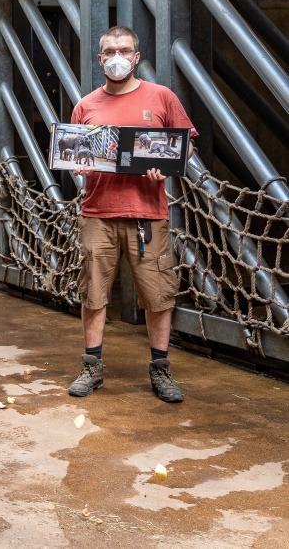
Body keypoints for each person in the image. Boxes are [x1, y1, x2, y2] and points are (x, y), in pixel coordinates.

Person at [68, 26, 196, 403]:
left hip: (147, 214)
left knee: (158, 295)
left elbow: (185, 146)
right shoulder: (86, 105)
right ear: (100, 59)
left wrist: (166, 165)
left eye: (124, 50)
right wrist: (78, 163)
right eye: (109, 51)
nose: (117, 57)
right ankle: (92, 366)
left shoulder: (162, 97)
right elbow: (74, 150)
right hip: (98, 212)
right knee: (93, 293)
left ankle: (160, 369)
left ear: (137, 57)